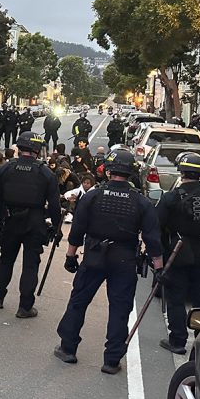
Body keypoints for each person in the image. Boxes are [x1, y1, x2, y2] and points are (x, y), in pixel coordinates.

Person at [54, 149, 164, 374]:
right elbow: (153, 239)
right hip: (124, 259)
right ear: (132, 172)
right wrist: (159, 269)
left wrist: (70, 255)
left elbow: (77, 229)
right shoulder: (141, 202)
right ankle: (112, 360)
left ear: (108, 170)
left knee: (79, 301)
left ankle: (68, 348)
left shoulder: (93, 196)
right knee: (120, 308)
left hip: (94, 254)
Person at [0, 132, 61, 318]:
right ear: (37, 149)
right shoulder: (46, 173)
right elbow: (54, 204)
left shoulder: (5, 169)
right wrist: (56, 226)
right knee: (31, 264)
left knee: (6, 258)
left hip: (11, 218)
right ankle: (25, 307)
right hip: (35, 221)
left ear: (19, 148)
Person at [156, 152, 200, 355]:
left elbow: (156, 228)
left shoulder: (170, 198)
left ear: (181, 171)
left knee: (176, 298)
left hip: (178, 254)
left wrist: (160, 256)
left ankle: (177, 341)